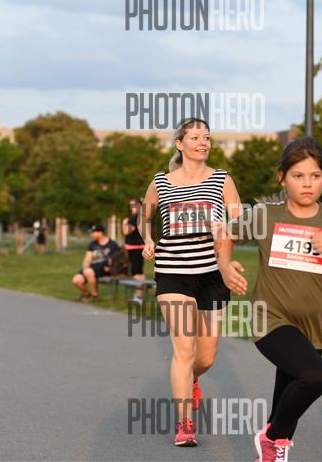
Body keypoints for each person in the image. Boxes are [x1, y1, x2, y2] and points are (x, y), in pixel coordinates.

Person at [218, 136, 322, 462]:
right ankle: (271, 437)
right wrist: (224, 265)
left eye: (315, 176)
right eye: (298, 176)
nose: (307, 184)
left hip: (311, 326)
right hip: (269, 319)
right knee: (315, 376)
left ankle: (272, 451)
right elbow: (225, 233)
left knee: (287, 396)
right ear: (282, 178)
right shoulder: (265, 215)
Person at [139, 117, 242, 447]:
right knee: (183, 350)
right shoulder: (161, 181)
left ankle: (192, 379)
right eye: (195, 137)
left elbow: (240, 219)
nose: (203, 142)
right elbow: (144, 215)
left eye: (207, 137)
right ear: (180, 144)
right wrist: (148, 238)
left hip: (212, 273)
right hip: (173, 272)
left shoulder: (222, 179)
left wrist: (228, 228)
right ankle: (184, 425)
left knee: (205, 357)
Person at [72, 224, 120, 302]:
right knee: (76, 280)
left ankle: (95, 295)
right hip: (93, 268)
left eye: (93, 232)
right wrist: (84, 269)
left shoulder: (112, 244)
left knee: (89, 272)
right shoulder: (92, 244)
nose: (91, 235)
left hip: (106, 269)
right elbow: (87, 259)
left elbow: (117, 260)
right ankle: (86, 294)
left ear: (100, 233)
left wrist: (111, 268)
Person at [123, 198, 146, 304]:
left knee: (136, 272)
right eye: (130, 205)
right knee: (139, 271)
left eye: (134, 205)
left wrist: (124, 223)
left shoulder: (135, 217)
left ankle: (139, 295)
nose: (131, 207)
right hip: (137, 247)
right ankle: (140, 295)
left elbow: (126, 231)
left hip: (135, 248)